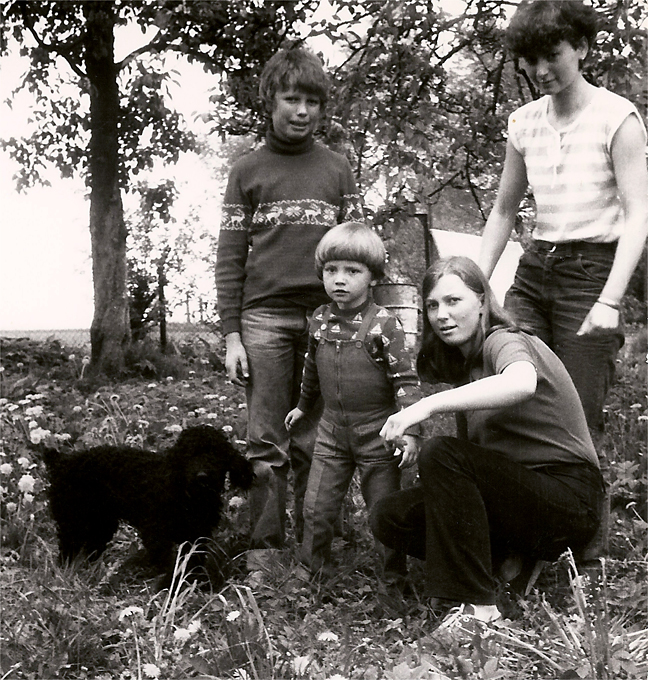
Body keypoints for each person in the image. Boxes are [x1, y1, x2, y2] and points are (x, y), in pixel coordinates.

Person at [371, 256, 604, 624]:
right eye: (432, 305)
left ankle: (478, 607)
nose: (442, 315)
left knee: (442, 452)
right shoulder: (469, 369)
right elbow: (471, 471)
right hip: (521, 499)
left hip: (568, 499)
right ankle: (508, 564)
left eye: (453, 300)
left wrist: (426, 407)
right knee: (391, 515)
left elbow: (521, 382)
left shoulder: (505, 339)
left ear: (482, 301)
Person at [215, 47, 364, 572]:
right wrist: (232, 335)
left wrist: (363, 319)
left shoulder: (337, 170)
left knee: (320, 438)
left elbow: (358, 250)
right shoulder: (246, 171)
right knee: (267, 438)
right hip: (264, 320)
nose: (302, 111)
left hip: (328, 319)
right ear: (270, 101)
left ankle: (318, 544)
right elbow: (230, 257)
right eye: (292, 99)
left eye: (312, 102)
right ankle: (264, 549)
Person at [479, 0, 648, 442]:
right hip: (533, 273)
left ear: (582, 48)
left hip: (591, 277)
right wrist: (474, 283)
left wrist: (609, 301)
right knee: (508, 400)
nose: (541, 70)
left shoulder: (617, 118)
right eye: (531, 59)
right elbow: (503, 210)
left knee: (575, 423)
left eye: (553, 55)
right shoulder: (523, 123)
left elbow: (639, 215)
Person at [285, 222, 422, 582]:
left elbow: (405, 381)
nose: (339, 280)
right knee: (316, 506)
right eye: (331, 270)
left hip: (378, 434)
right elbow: (311, 370)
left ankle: (393, 579)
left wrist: (410, 430)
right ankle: (312, 572)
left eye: (352, 271)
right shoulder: (319, 320)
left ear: (373, 276)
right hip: (331, 432)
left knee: (383, 509)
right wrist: (303, 406)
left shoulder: (385, 325)